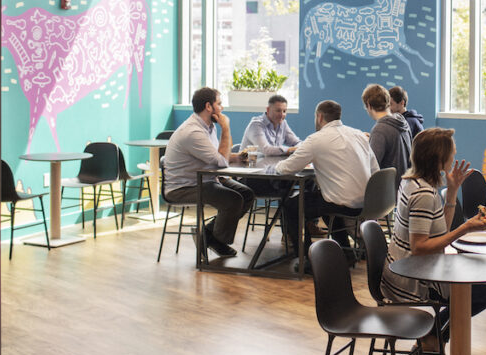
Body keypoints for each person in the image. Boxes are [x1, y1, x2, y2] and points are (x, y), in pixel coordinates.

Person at [380, 127, 486, 355]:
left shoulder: (412, 181)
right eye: (451, 151)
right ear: (438, 159)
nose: (455, 154)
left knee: (483, 287)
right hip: (412, 278)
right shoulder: (424, 193)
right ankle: (433, 336)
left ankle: (432, 338)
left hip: (405, 268)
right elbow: (420, 248)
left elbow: (439, 230)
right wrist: (465, 227)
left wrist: (453, 191)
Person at [277, 100, 378, 256]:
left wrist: (275, 166)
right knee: (326, 198)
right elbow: (375, 170)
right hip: (367, 202)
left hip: (342, 202)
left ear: (319, 117)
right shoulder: (359, 134)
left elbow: (286, 169)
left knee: (291, 206)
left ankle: (306, 259)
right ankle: (346, 252)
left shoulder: (316, 139)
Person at [163, 87, 254, 258]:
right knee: (233, 199)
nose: (222, 108)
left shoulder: (207, 127)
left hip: (206, 179)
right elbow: (220, 162)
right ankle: (212, 238)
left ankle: (208, 235)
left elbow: (219, 158)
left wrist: (237, 157)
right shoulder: (193, 132)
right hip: (184, 187)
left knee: (246, 194)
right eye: (219, 104)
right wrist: (226, 129)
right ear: (208, 106)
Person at [362, 84, 412, 182]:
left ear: (368, 105)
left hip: (389, 191)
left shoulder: (380, 130)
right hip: (403, 187)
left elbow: (370, 167)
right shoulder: (402, 121)